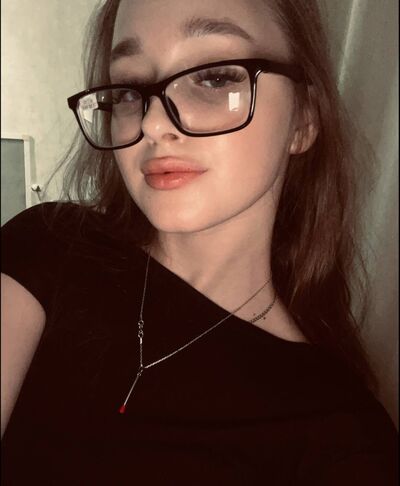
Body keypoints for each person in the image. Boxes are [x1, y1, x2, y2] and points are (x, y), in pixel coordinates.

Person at [1, 0, 398, 484]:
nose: (151, 124)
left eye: (213, 77)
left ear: (303, 119)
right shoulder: (48, 247)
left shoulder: (342, 437)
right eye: (128, 90)